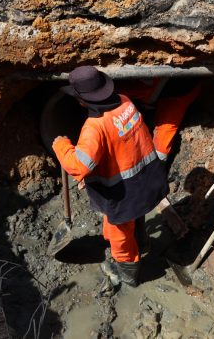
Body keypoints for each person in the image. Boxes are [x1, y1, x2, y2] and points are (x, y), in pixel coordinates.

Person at [51, 66, 169, 287]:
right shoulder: (124, 101)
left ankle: (128, 273)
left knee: (119, 237)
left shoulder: (94, 128)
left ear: (81, 101)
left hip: (122, 192)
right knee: (138, 215)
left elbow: (79, 166)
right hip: (146, 178)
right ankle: (142, 244)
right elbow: (119, 143)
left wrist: (61, 146)